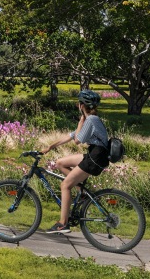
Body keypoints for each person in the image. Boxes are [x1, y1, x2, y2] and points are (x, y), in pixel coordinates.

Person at [43, 89, 111, 233]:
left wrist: (81, 120)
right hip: (95, 154)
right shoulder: (91, 120)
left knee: (65, 186)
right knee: (60, 163)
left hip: (95, 157)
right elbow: (70, 136)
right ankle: (82, 191)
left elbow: (77, 140)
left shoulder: (91, 120)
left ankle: (63, 223)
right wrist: (50, 147)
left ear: (81, 105)